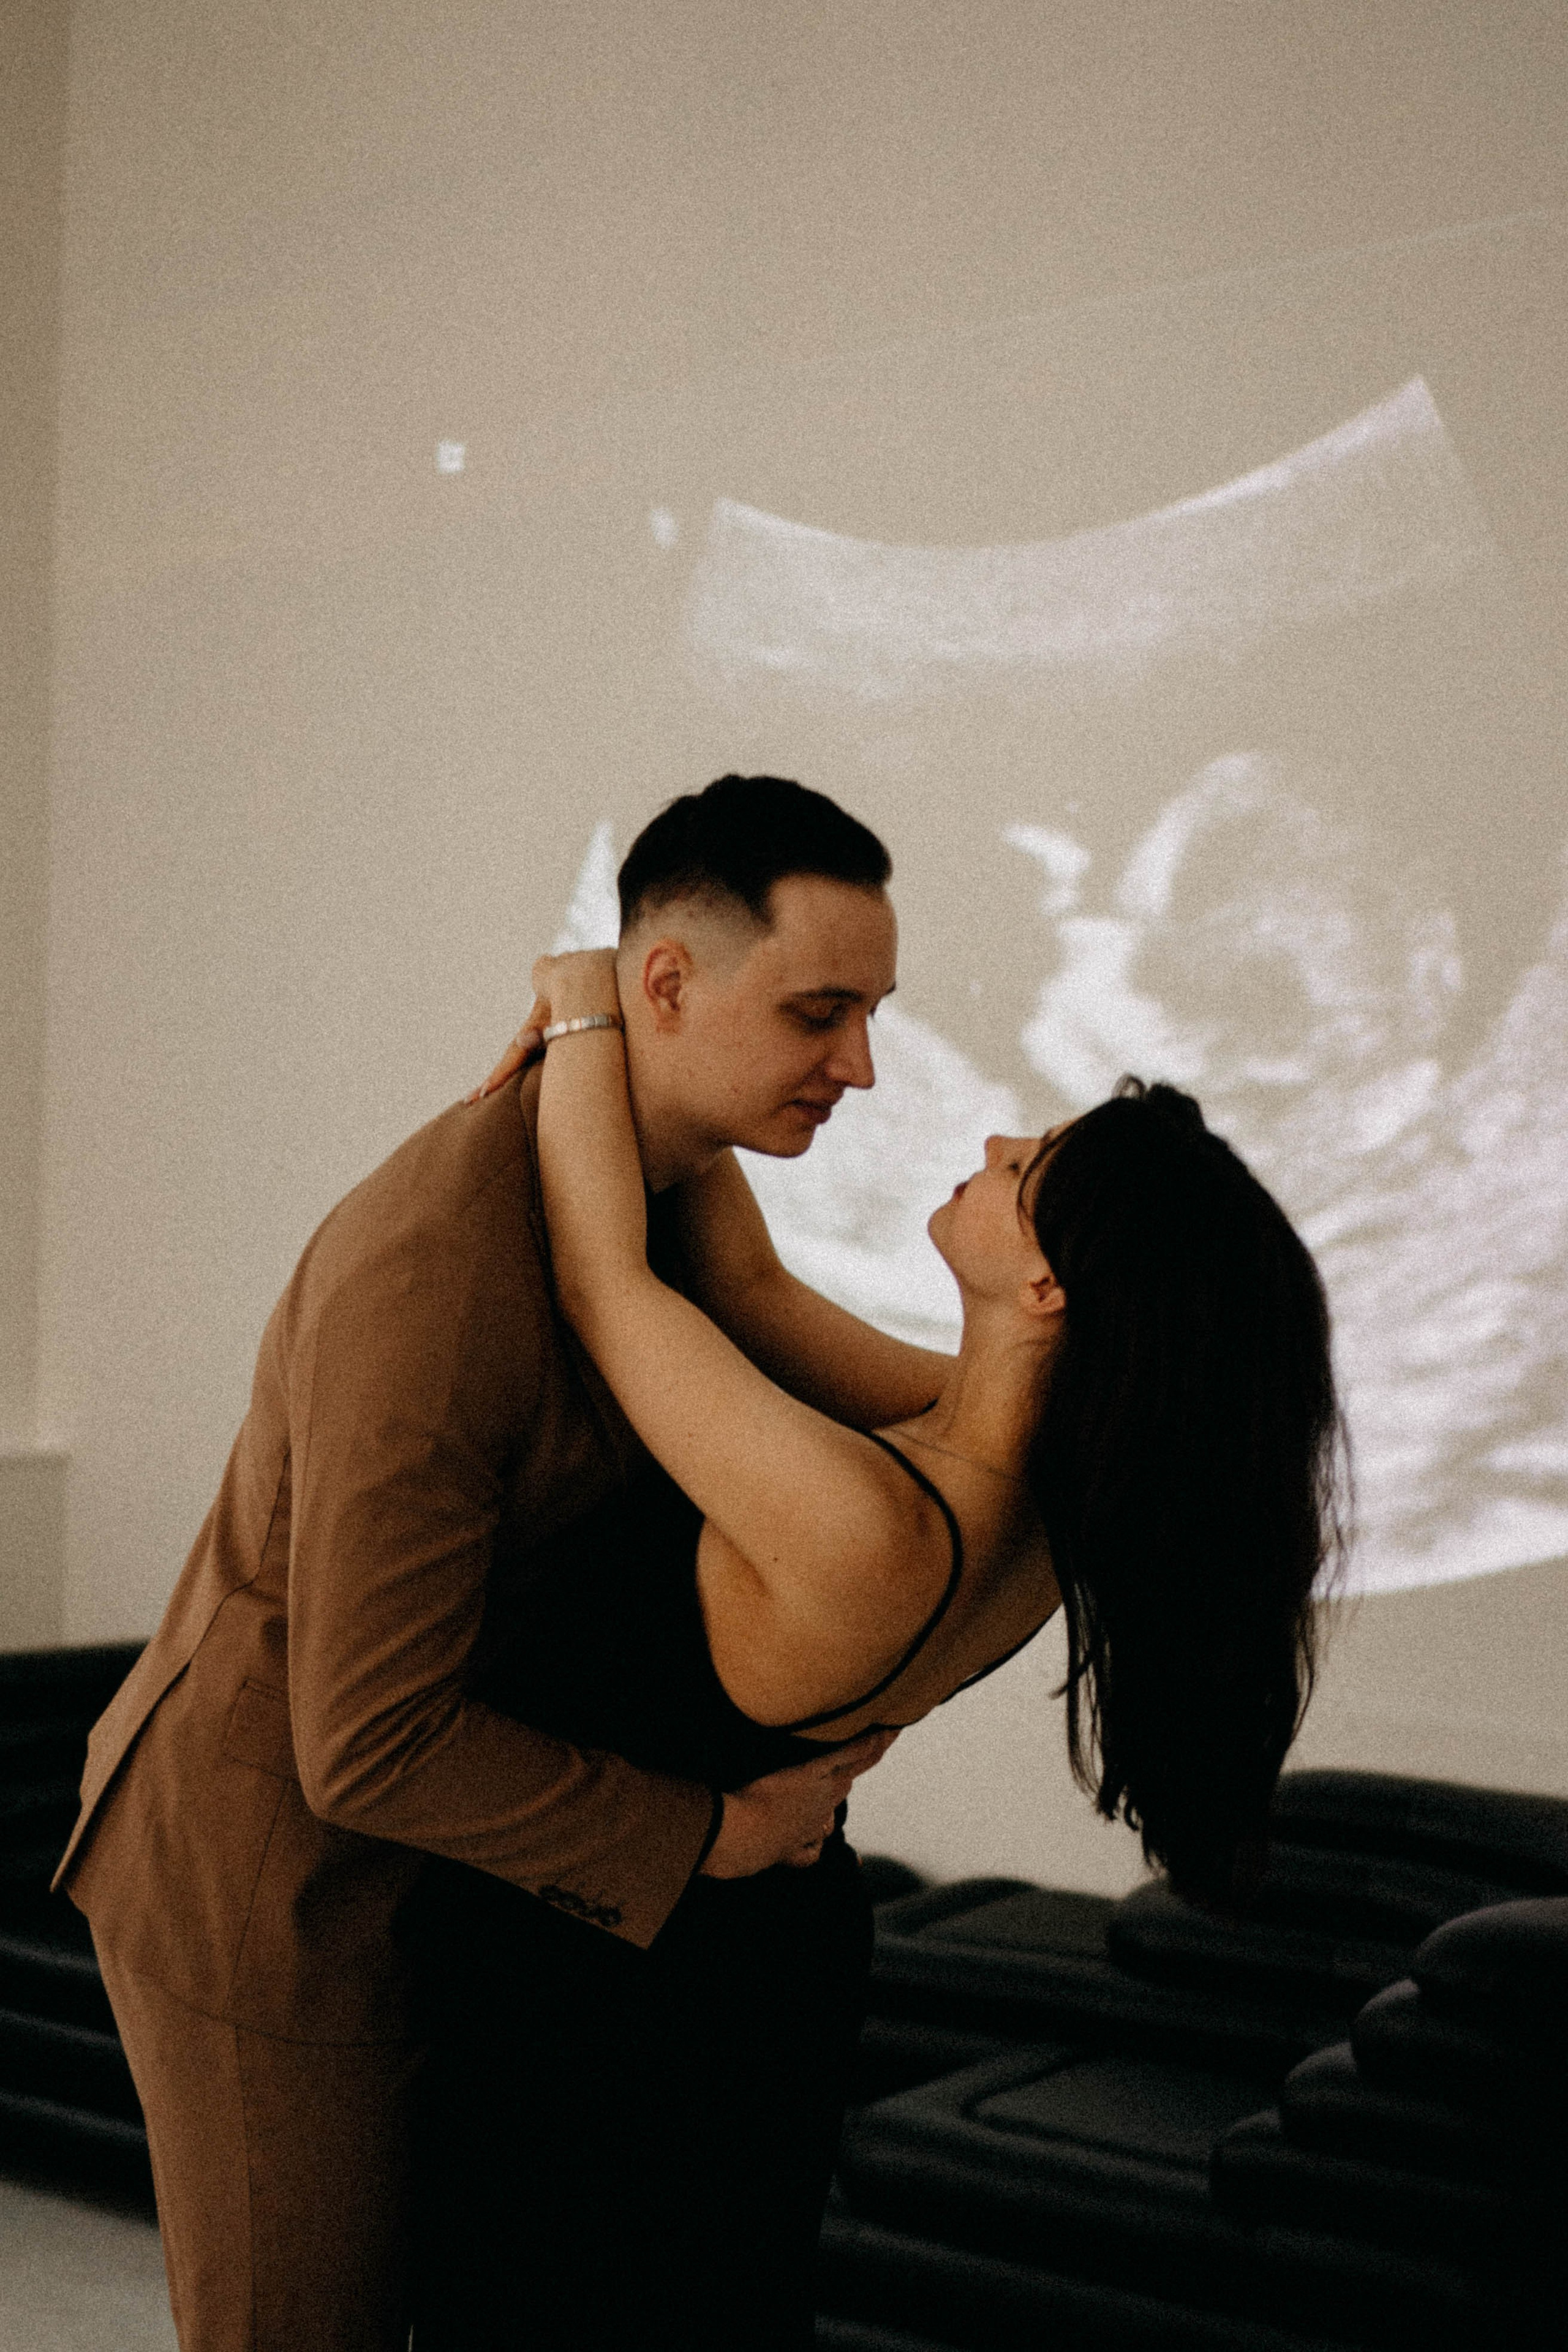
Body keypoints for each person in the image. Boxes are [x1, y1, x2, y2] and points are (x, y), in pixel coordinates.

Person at [53, 775, 944, 2352]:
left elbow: (830, 1362)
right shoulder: (441, 1269)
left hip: (449, 1874)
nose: (859, 1066)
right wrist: (714, 1838)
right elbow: (365, 1739)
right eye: (820, 1011)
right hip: (277, 1890)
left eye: (869, 1012)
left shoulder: (674, 1190)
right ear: (662, 985)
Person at [409, 940, 1347, 2348]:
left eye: (1029, 1165)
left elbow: (610, 1286)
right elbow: (753, 1293)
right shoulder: (1035, 1491)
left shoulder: (870, 1528)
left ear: (1047, 1291)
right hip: (745, 1958)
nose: (993, 1137)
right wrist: (689, 1061)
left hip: (626, 1998)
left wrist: (586, 998)